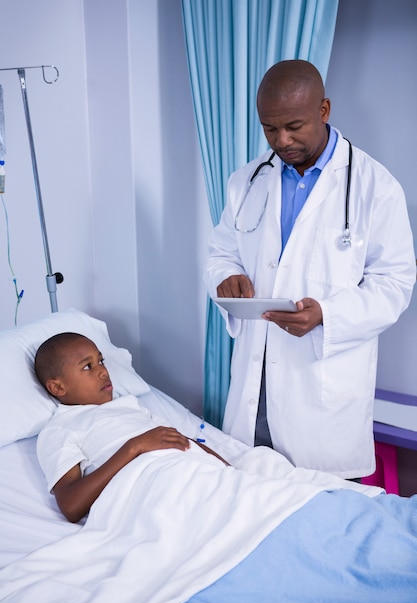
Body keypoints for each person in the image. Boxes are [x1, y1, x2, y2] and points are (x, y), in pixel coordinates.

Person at [204, 59, 416, 479]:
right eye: (269, 128)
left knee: (325, 509)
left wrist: (327, 315)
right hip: (255, 382)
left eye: (294, 126)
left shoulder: (376, 187)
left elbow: (395, 285)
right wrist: (223, 279)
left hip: (321, 388)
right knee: (253, 499)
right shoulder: (245, 182)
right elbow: (221, 252)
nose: (281, 141)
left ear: (324, 110)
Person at [34, 332, 230, 523]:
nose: (103, 371)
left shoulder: (130, 406)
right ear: (58, 387)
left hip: (193, 468)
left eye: (101, 361)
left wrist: (229, 470)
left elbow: (180, 440)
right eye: (87, 367)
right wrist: (134, 447)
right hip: (153, 485)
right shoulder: (60, 429)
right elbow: (71, 505)